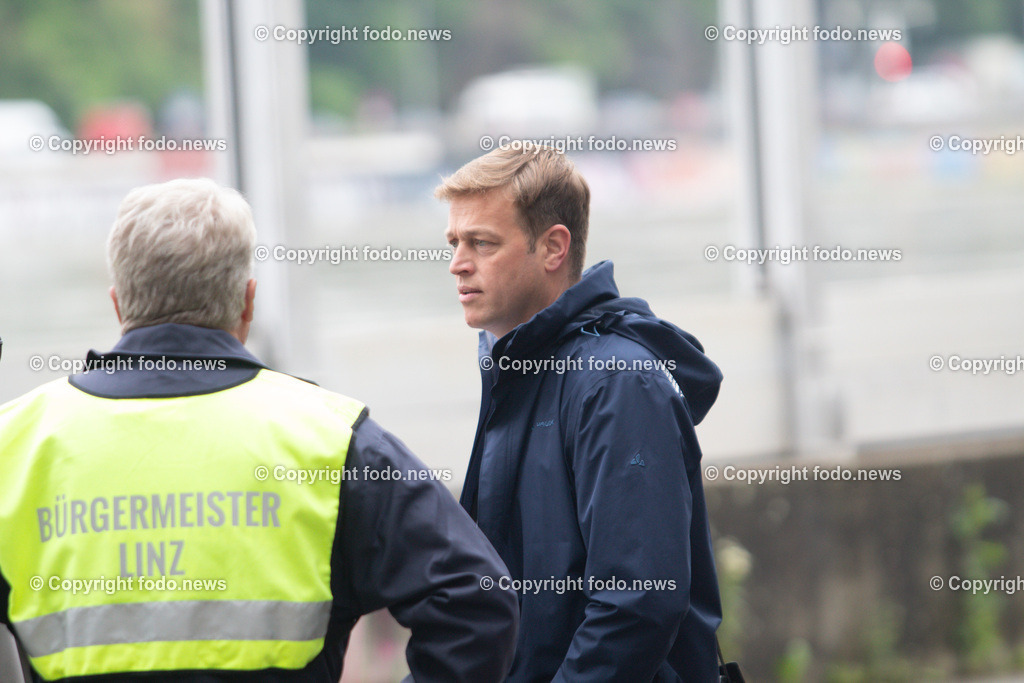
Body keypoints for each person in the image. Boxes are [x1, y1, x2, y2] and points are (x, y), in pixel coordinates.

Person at [0, 178, 518, 682]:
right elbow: (475, 601)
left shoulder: (15, 442)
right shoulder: (331, 440)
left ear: (118, 305)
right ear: (248, 302)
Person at [436, 146, 724, 682]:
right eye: (454, 243)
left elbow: (637, 605)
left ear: (553, 247)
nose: (458, 263)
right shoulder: (516, 370)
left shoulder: (616, 383)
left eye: (482, 242)